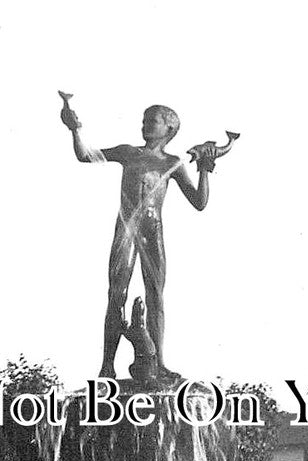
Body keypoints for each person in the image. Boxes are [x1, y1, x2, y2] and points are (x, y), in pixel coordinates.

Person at [62, 102, 216, 381]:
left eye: (152, 121)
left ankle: (159, 361)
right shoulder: (128, 153)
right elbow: (86, 155)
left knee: (155, 295)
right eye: (144, 120)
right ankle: (107, 364)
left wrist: (205, 169)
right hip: (127, 228)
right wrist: (75, 130)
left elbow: (200, 202)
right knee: (116, 294)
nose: (145, 125)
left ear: (169, 128)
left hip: (152, 230)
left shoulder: (173, 164)